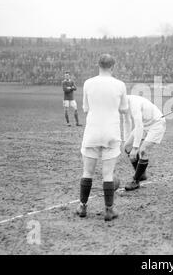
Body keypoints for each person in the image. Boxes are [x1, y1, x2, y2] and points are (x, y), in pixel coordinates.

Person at [76, 54, 128, 221]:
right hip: (111, 132)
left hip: (92, 131)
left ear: (98, 65)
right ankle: (109, 210)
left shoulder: (88, 83)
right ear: (113, 67)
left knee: (87, 172)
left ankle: (83, 207)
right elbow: (124, 109)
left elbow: (85, 108)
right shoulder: (120, 84)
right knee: (108, 174)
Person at [122, 94, 166, 191]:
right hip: (145, 124)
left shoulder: (134, 103)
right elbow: (126, 122)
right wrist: (127, 142)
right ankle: (141, 174)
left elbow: (138, 125)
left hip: (156, 123)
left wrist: (135, 148)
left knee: (143, 150)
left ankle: (135, 181)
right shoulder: (121, 104)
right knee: (127, 147)